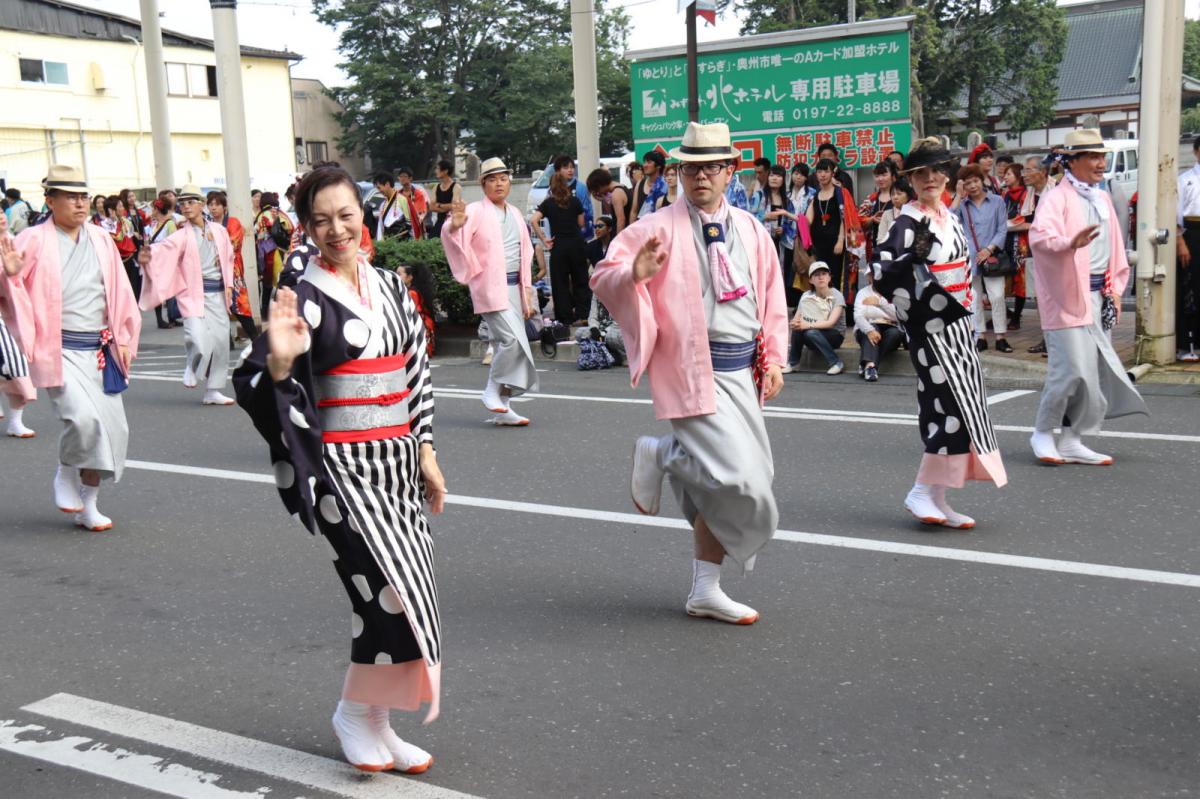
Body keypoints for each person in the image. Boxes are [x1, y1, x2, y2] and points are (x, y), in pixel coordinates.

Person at [232, 165, 444, 773]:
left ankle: (375, 721)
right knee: (386, 597)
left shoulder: (390, 287)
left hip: (397, 464)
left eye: (346, 214)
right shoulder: (301, 293)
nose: (336, 229)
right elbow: (256, 378)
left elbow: (416, 373)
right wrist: (279, 363)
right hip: (341, 473)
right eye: (321, 219)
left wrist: (425, 450)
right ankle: (355, 715)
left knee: (405, 594)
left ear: (363, 214)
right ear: (306, 226)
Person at [590, 121, 787, 625]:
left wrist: (776, 358)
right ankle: (673, 453)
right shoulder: (656, 226)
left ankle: (705, 588)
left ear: (730, 171)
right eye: (691, 167)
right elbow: (603, 273)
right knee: (738, 479)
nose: (701, 177)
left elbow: (772, 300)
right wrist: (632, 275)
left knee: (743, 480)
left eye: (712, 167)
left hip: (743, 369)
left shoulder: (751, 229)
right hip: (690, 368)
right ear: (679, 172)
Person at [870, 137, 1007, 528]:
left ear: (947, 176)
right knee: (943, 405)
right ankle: (920, 490)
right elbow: (880, 271)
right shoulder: (907, 222)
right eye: (921, 174)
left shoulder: (950, 216)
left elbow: (965, 270)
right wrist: (910, 261)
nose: (930, 179)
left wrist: (965, 313)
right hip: (931, 325)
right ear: (910, 180)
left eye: (936, 171)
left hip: (959, 321)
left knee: (963, 407)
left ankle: (938, 495)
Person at [0, 164, 141, 531]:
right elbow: (8, 288)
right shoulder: (32, 239)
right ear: (50, 201)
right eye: (70, 197)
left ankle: (89, 504)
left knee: (112, 430)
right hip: (59, 346)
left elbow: (121, 293)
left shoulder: (100, 238)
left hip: (100, 348)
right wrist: (9, 274)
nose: (80, 204)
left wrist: (124, 338)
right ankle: (66, 471)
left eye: (83, 196)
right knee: (82, 419)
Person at [1027, 129, 1148, 465]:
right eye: (1093, 157)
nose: (1101, 163)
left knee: (1092, 371)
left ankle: (1071, 438)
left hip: (1098, 294)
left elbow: (1115, 250)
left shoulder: (1101, 197)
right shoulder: (1056, 198)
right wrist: (1069, 243)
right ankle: (1042, 431)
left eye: (1102, 156)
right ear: (1072, 162)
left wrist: (1114, 291)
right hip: (1068, 297)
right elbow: (1040, 238)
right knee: (1069, 370)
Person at [442, 158, 538, 426]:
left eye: (503, 178)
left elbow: (525, 253)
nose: (499, 184)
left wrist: (527, 290)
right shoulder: (475, 210)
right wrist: (454, 225)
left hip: (514, 288)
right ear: (483, 184)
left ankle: (504, 408)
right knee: (510, 341)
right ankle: (492, 390)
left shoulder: (516, 213)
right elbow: (450, 234)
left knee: (516, 347)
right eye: (492, 179)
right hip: (489, 286)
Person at [138, 184, 237, 406]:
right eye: (182, 203)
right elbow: (161, 250)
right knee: (198, 338)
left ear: (201, 205)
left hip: (218, 292)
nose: (186, 206)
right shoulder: (181, 235)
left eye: (191, 202)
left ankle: (213, 390)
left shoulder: (219, 231)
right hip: (194, 294)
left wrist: (229, 283)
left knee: (221, 343)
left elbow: (229, 258)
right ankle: (192, 366)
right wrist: (147, 257)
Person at [955, 164, 1013, 353]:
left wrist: (989, 249)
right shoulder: (963, 205)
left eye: (976, 181)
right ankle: (979, 335)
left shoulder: (997, 201)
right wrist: (957, 195)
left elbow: (1002, 229)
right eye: (968, 182)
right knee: (974, 298)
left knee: (997, 296)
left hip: (992, 256)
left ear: (982, 180)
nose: (973, 186)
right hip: (969, 257)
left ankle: (1000, 336)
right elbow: (949, 219)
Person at [531, 172, 589, 327]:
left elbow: (533, 220)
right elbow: (581, 223)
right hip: (577, 244)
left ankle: (565, 318)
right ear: (566, 185)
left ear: (551, 186)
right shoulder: (575, 201)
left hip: (558, 246)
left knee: (560, 283)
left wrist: (544, 239)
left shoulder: (548, 203)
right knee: (581, 280)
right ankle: (583, 315)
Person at [0, 210, 36, 437]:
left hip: (15, 315)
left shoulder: (16, 240)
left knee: (17, 366)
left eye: (1, 211)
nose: (1, 216)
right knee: (15, 365)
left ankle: (15, 421)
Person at [806, 158, 862, 299]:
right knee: (820, 277)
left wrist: (840, 240)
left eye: (826, 171)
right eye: (819, 171)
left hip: (836, 243)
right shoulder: (814, 195)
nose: (823, 174)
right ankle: (823, 308)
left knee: (836, 277)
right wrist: (788, 214)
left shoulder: (841, 193)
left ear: (832, 173)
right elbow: (807, 220)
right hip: (818, 244)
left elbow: (846, 218)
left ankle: (839, 310)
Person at [207, 191, 257, 340]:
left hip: (233, 271)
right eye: (210, 205)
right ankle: (226, 340)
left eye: (217, 205)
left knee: (240, 306)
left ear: (224, 206)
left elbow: (233, 244)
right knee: (219, 307)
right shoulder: (207, 224)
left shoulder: (233, 222)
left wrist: (214, 242)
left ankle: (255, 338)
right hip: (213, 270)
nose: (213, 208)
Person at [758, 165, 808, 307]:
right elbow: (748, 215)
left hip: (781, 243)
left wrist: (783, 228)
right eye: (772, 175)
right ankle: (764, 303)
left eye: (778, 176)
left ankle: (778, 304)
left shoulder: (787, 199)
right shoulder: (760, 195)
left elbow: (792, 222)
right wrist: (764, 217)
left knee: (781, 273)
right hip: (763, 241)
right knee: (763, 271)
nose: (774, 178)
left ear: (783, 179)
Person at [1021, 156, 1055, 355]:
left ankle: (1055, 341)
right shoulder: (1029, 195)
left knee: (1054, 298)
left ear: (1042, 172)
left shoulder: (1055, 192)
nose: (1024, 174)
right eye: (1024, 170)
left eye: (1028, 170)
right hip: (1034, 252)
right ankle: (1047, 338)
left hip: (1053, 253)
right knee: (1040, 299)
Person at [786, 261, 846, 374]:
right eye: (816, 275)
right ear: (810, 280)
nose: (821, 277)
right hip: (812, 334)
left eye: (824, 274)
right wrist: (794, 323)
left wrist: (806, 325)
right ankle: (793, 363)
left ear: (829, 277)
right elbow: (798, 317)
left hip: (834, 335)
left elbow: (830, 323)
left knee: (810, 332)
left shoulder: (837, 295)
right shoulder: (806, 295)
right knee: (799, 330)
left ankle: (836, 362)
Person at [1175, 135, 1200, 361]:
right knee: (1190, 288)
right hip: (1192, 234)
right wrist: (1181, 241)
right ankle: (1187, 345)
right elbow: (1175, 215)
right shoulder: (1185, 180)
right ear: (1196, 152)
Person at [853, 270, 902, 382]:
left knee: (895, 333)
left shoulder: (895, 292)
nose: (877, 277)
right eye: (873, 275)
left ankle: (866, 363)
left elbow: (899, 316)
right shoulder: (862, 292)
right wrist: (869, 330)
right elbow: (858, 316)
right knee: (872, 328)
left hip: (890, 326)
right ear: (869, 277)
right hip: (867, 327)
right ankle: (870, 367)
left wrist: (880, 303)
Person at [1001, 162, 1030, 331]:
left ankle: (1016, 317)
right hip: (1006, 240)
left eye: (1009, 174)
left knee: (1020, 280)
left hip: (1021, 243)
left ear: (1018, 176)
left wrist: (1006, 225)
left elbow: (1025, 219)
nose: (1005, 177)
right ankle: (1006, 313)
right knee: (1004, 278)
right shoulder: (1005, 194)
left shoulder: (1027, 195)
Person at [255, 191, 293, 320]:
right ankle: (277, 310)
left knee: (269, 281)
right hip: (278, 249)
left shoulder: (262, 214)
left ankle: (266, 311)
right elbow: (289, 227)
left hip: (265, 250)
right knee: (278, 279)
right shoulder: (277, 212)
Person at [550, 155, 595, 239]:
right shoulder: (552, 188)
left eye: (572, 167)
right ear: (557, 171)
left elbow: (586, 211)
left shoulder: (580, 187)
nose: (570, 170)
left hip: (578, 234)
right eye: (566, 167)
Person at [397, 262, 437, 356]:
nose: (397, 276)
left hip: (419, 325)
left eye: (399, 274)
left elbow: (410, 313)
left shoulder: (412, 293)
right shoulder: (412, 290)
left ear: (410, 277)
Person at [585, 168, 629, 235]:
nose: (598, 193)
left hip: (623, 235)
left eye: (596, 190)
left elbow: (621, 220)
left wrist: (618, 241)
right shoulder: (621, 187)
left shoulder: (616, 193)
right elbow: (613, 213)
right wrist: (603, 199)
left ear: (599, 186)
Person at [372, 173, 413, 242]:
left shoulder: (402, 200)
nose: (379, 191)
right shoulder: (383, 204)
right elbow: (381, 227)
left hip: (402, 241)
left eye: (379, 187)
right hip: (388, 242)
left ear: (387, 184)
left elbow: (410, 223)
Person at [429, 160, 461, 238]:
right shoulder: (436, 187)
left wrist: (439, 205)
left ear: (445, 171)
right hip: (439, 222)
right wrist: (447, 207)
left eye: (438, 169)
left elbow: (454, 206)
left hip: (451, 222)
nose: (436, 171)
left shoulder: (456, 187)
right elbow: (431, 207)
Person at [631, 150, 667, 219]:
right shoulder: (640, 183)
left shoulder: (666, 185)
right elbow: (634, 211)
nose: (644, 165)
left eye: (649, 162)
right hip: (641, 226)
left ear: (658, 166)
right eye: (644, 162)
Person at [396, 167, 429, 239]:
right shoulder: (397, 194)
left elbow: (420, 212)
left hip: (415, 227)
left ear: (410, 178)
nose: (402, 178)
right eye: (400, 176)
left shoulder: (418, 194)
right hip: (401, 228)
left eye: (404, 176)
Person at [876, 179, 912, 244]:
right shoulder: (887, 214)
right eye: (892, 194)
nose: (895, 197)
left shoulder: (915, 213)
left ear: (908, 195)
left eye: (899, 194)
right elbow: (880, 240)